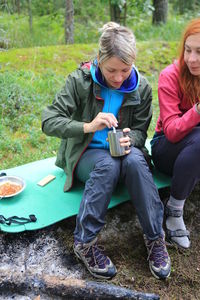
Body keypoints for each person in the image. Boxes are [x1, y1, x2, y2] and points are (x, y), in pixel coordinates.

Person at [42, 22, 171, 280]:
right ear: (99, 60)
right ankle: (85, 242)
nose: (118, 77)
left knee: (135, 161)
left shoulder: (141, 87)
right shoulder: (81, 81)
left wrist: (129, 138)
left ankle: (156, 239)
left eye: (125, 70)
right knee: (107, 164)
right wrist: (88, 125)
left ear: (133, 62)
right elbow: (49, 121)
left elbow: (139, 132)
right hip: (86, 153)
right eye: (111, 70)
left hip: (122, 152)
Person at [151, 18, 200, 250]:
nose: (192, 59)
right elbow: (171, 131)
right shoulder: (169, 76)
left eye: (199, 52)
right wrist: (197, 110)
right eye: (188, 50)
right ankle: (173, 211)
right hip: (166, 149)